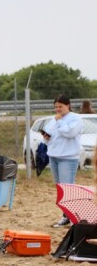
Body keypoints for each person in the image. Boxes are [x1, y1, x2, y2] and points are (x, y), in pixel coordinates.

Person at [42, 94, 83, 228]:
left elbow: (69, 133)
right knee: (60, 189)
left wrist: (59, 121)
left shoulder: (76, 118)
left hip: (68, 158)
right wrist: (46, 136)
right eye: (56, 107)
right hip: (54, 156)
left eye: (60, 106)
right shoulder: (54, 119)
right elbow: (48, 133)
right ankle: (65, 215)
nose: (58, 109)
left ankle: (74, 217)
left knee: (68, 188)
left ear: (68, 106)